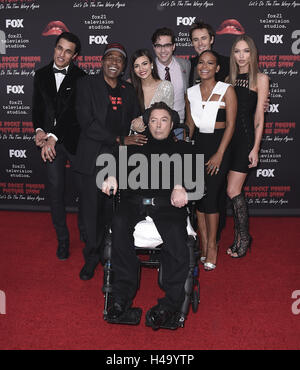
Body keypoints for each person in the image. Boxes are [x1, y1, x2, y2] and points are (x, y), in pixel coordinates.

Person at [102, 102, 201, 330]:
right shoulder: (134, 147)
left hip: (166, 206)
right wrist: (111, 175)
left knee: (176, 234)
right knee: (118, 223)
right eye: (153, 120)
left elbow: (197, 183)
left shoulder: (184, 149)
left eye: (164, 120)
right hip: (133, 202)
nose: (158, 125)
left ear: (172, 124)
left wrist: (181, 185)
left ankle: (170, 303)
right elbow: (111, 162)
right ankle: (120, 297)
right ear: (147, 123)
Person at [74, 42, 144, 280]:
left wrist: (138, 128)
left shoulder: (127, 90)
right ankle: (91, 257)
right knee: (91, 211)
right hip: (92, 156)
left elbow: (135, 119)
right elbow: (87, 122)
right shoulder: (86, 85)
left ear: (124, 66)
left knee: (111, 210)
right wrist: (119, 138)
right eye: (110, 58)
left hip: (118, 158)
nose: (114, 63)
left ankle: (109, 254)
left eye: (119, 60)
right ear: (102, 61)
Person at [32, 32, 86, 260]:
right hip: (49, 145)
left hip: (74, 142)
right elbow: (37, 109)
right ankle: (62, 240)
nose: (62, 54)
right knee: (55, 193)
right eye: (59, 48)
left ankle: (88, 237)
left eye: (68, 51)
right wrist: (39, 131)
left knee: (85, 192)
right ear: (54, 48)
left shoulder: (81, 77)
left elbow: (73, 114)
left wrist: (53, 135)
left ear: (74, 56)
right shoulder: (41, 74)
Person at [185, 50, 237, 270]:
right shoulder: (191, 92)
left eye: (210, 63)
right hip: (198, 147)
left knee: (212, 197)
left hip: (220, 148)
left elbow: (232, 125)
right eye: (201, 63)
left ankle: (213, 246)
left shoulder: (227, 90)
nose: (204, 66)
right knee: (197, 198)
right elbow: (189, 127)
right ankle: (204, 243)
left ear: (217, 68)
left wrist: (219, 153)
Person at [226, 35, 269, 258]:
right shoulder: (228, 79)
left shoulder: (260, 79)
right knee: (231, 191)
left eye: (246, 51)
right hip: (227, 140)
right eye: (237, 51)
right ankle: (239, 237)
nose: (241, 56)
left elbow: (259, 118)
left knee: (233, 190)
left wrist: (255, 148)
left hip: (245, 140)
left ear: (253, 54)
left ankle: (244, 238)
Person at [152, 27, 191, 138]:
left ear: (173, 46)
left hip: (179, 126)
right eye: (158, 46)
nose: (163, 50)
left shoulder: (185, 65)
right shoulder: (148, 69)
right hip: (156, 128)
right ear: (154, 48)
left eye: (167, 45)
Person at [129, 48, 174, 132]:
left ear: (151, 64)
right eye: (137, 66)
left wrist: (143, 119)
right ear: (134, 70)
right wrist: (132, 125)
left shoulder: (166, 87)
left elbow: (168, 116)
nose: (141, 69)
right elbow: (125, 117)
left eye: (144, 64)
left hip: (159, 137)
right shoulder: (130, 88)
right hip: (135, 140)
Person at [189, 21, 229, 86]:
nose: (200, 43)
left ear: (211, 40)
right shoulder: (189, 65)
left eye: (203, 38)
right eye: (196, 40)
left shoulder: (226, 63)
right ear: (192, 43)